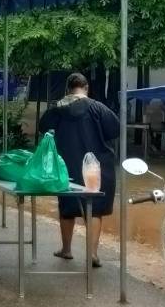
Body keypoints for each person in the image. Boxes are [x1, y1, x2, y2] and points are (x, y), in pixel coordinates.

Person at [38, 72, 120, 267]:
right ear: (86, 88)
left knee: (67, 207)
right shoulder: (99, 108)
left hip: (67, 167)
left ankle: (66, 249)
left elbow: (43, 127)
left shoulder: (57, 109)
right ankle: (92, 254)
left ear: (67, 89)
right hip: (96, 168)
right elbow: (115, 130)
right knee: (95, 209)